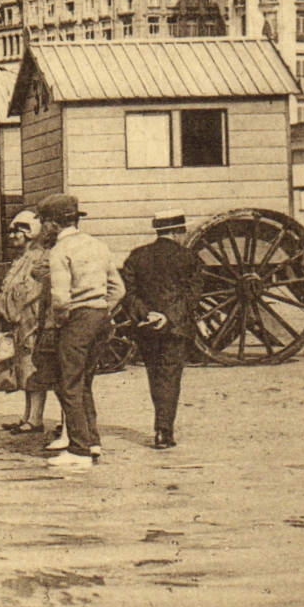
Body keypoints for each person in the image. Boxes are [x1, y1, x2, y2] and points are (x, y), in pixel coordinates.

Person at [38, 193, 125, 467]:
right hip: (100, 317)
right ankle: (92, 441)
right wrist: (101, 310)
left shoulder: (59, 252)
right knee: (85, 382)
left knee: (69, 384)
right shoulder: (98, 245)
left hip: (77, 319)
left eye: (44, 223)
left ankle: (79, 451)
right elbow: (119, 289)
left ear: (53, 225)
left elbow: (61, 299)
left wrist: (62, 322)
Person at [119, 210, 202, 450]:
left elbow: (129, 294)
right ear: (178, 232)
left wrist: (147, 314)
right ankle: (163, 431)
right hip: (175, 329)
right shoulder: (189, 258)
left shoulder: (137, 256)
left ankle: (161, 426)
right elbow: (191, 297)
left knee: (155, 377)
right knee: (170, 378)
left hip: (147, 328)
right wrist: (167, 316)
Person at [0, 210, 57, 436]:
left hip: (31, 319)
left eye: (18, 231)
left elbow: (30, 292)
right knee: (22, 367)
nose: (12, 236)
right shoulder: (22, 258)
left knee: (33, 369)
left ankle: (36, 418)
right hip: (20, 321)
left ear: (31, 233)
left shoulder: (37, 258)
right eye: (11, 232)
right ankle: (27, 416)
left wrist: (3, 303)